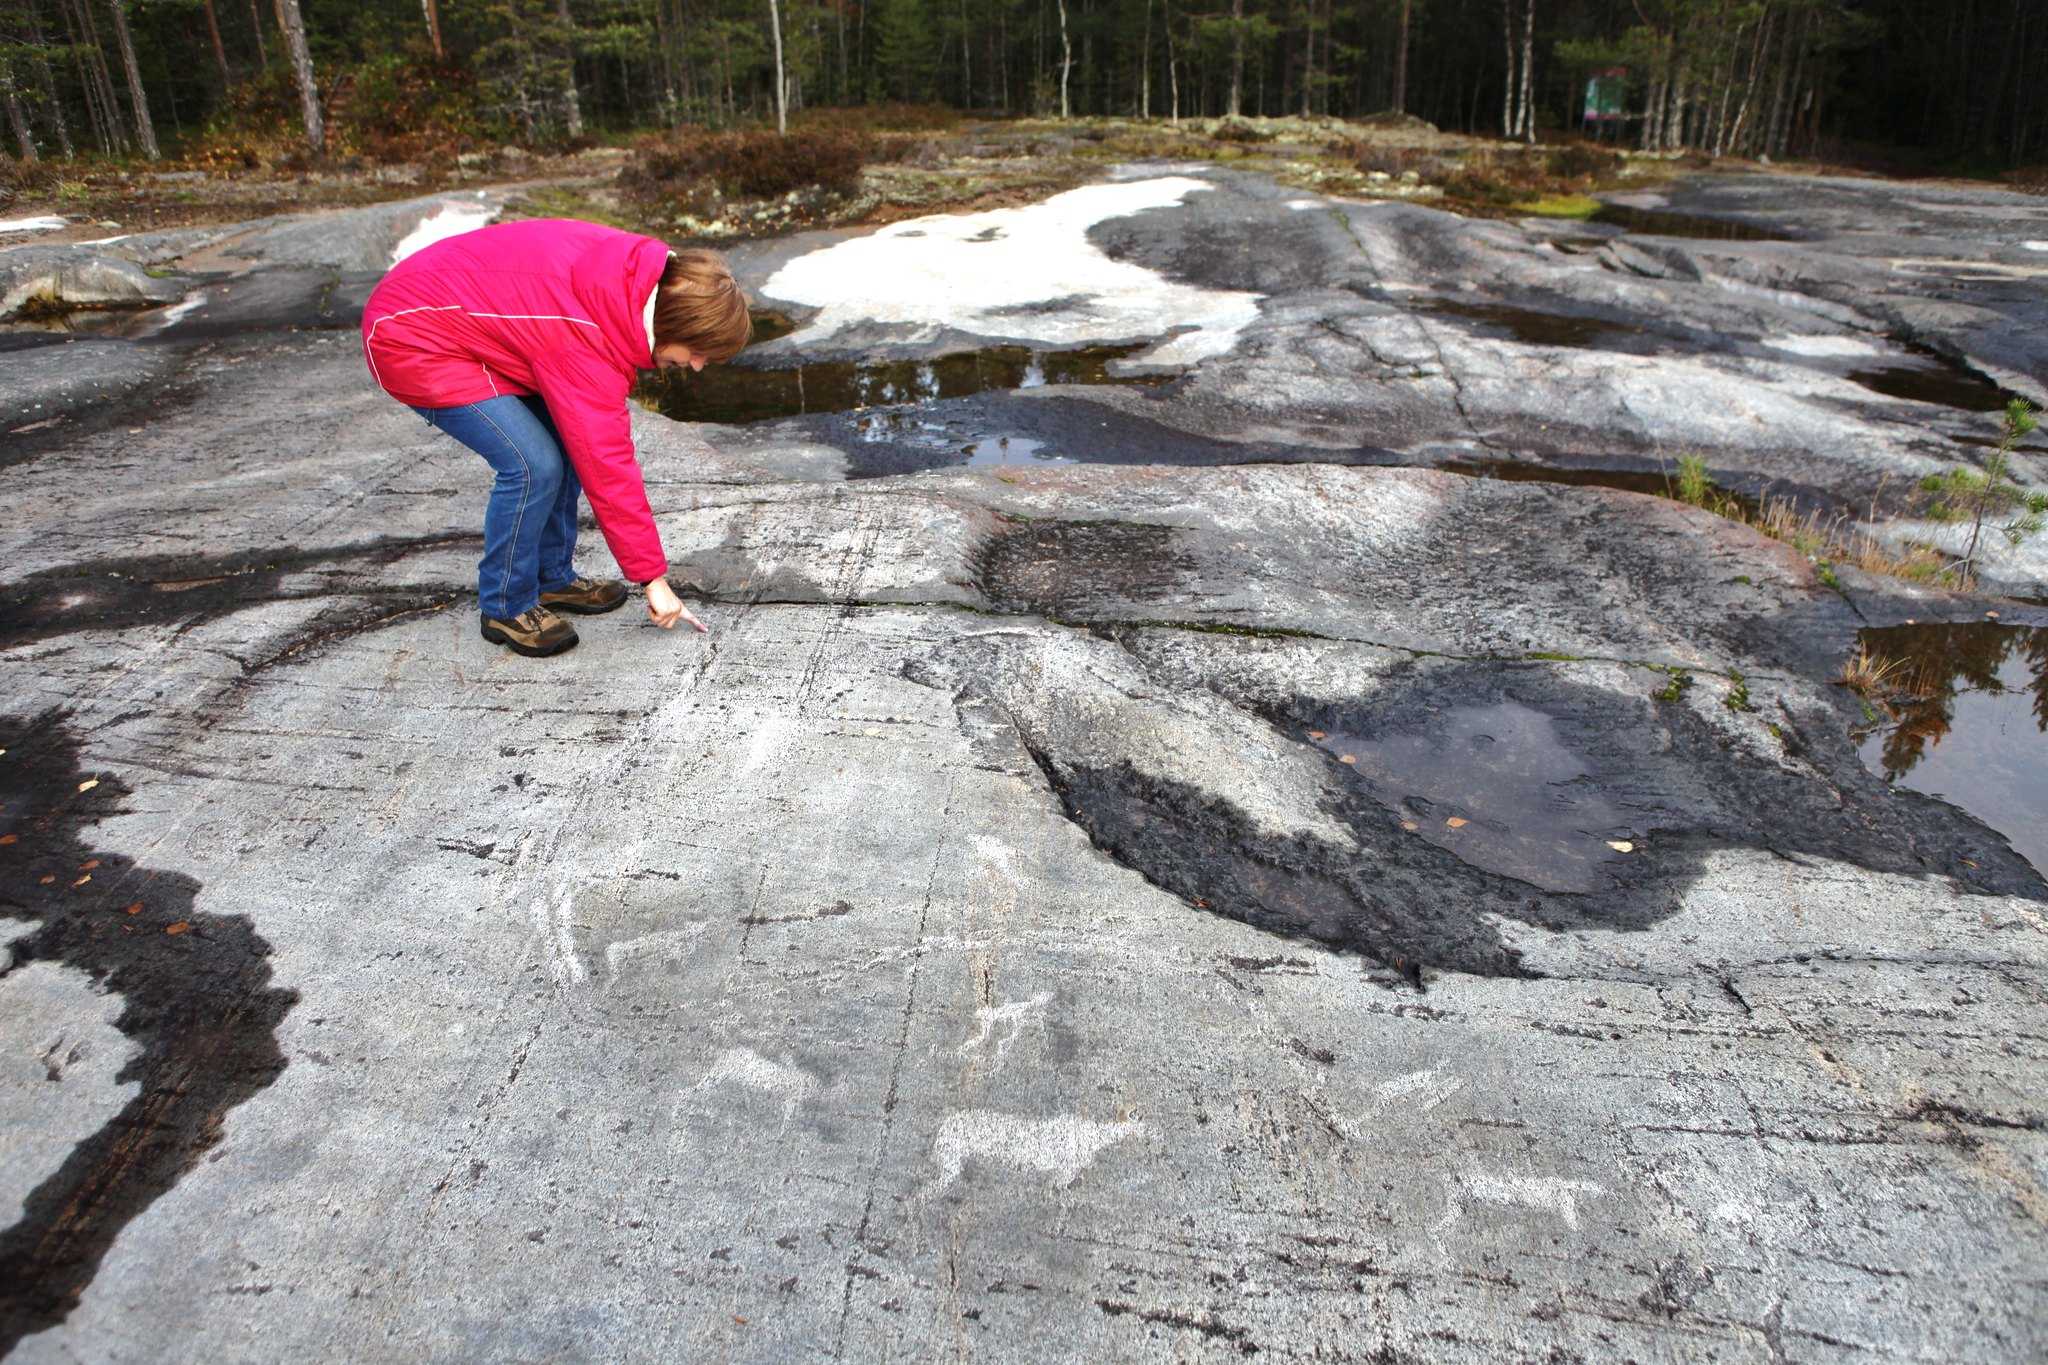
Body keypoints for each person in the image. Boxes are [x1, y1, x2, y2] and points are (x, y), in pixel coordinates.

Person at [360, 218, 751, 656]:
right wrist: (652, 580)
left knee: (565, 442)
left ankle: (551, 577)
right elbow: (608, 466)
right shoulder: (590, 338)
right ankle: (506, 604)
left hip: (467, 315)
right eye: (697, 352)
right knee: (532, 464)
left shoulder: (636, 278)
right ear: (674, 324)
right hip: (412, 336)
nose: (697, 366)